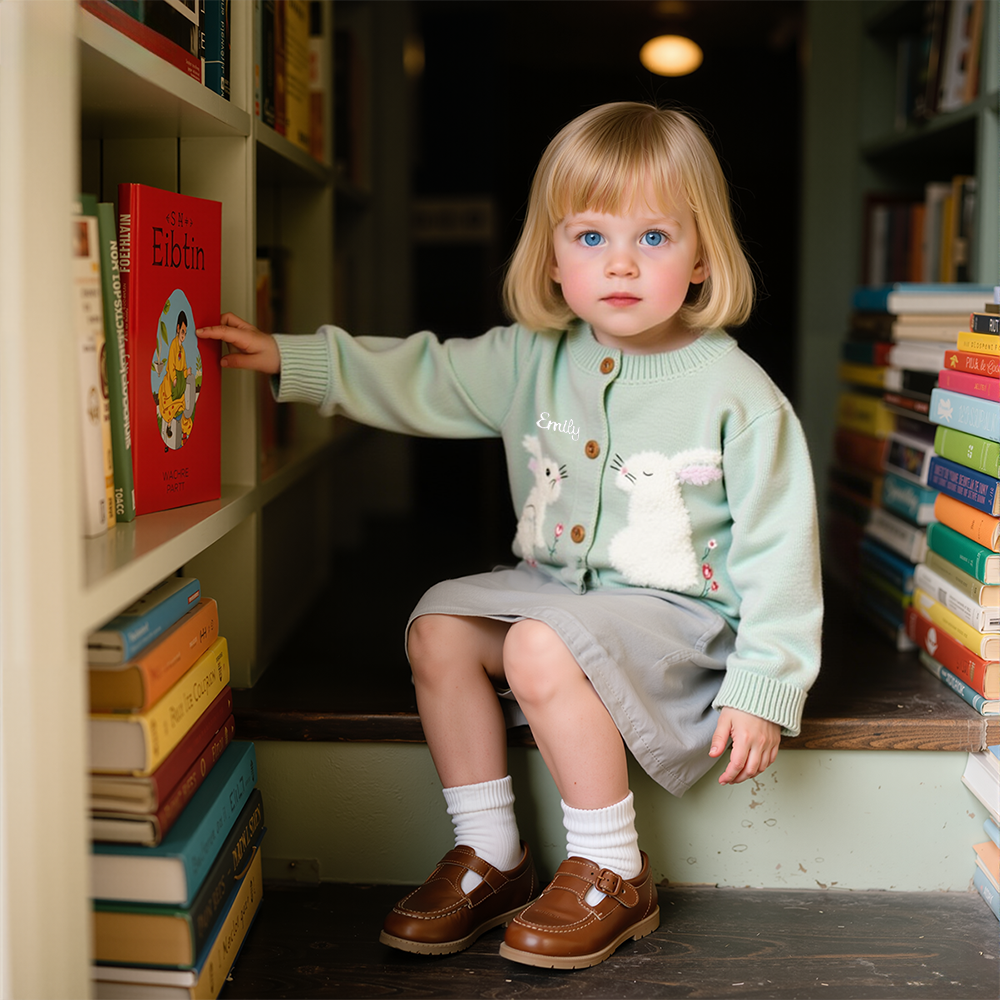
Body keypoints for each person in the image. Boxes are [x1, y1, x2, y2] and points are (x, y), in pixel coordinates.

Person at [198, 101, 823, 971]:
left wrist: (765, 683)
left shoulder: (735, 391)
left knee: (535, 646)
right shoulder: (533, 355)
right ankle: (492, 854)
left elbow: (780, 546)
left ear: (702, 256)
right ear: (554, 256)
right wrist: (295, 360)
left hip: (679, 623)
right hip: (559, 597)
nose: (619, 264)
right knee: (438, 626)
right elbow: (422, 372)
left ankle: (613, 868)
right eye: (590, 236)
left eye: (653, 238)